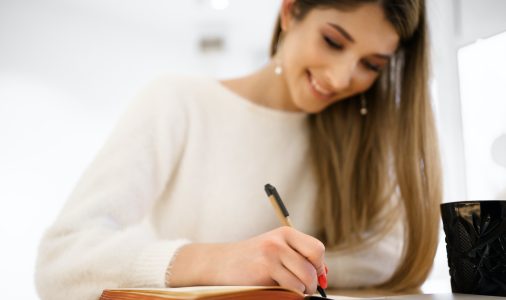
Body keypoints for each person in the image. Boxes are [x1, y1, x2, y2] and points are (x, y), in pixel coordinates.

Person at [35, 0, 442, 299]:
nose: (340, 78)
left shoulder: (363, 133)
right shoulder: (178, 101)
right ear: (290, 12)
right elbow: (60, 262)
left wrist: (283, 268)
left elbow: (392, 258)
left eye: (371, 64)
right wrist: (220, 261)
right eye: (334, 41)